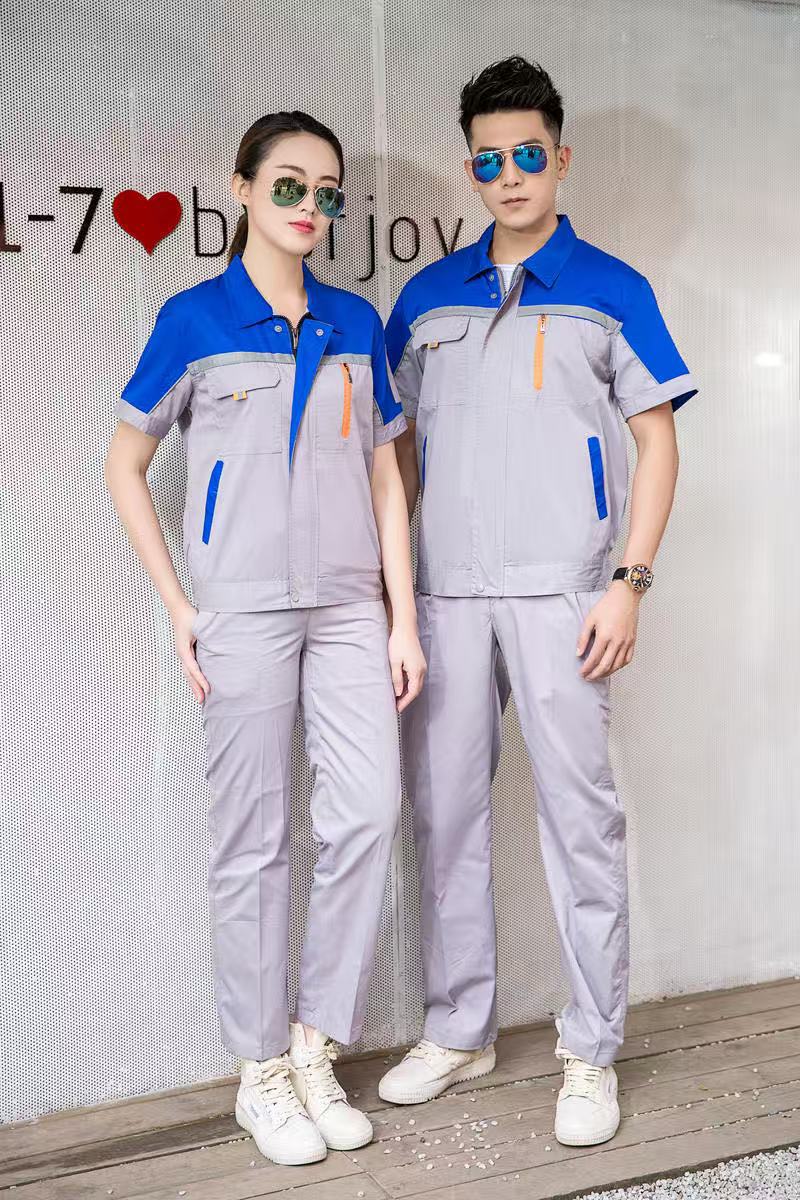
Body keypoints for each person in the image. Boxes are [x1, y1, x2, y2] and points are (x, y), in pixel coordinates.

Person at [379, 57, 697, 1148]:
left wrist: (628, 583)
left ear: (559, 158)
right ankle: (457, 1028)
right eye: (487, 160)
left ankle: (589, 1049)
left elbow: (657, 443)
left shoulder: (612, 288)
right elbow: (393, 450)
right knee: (445, 813)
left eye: (525, 155)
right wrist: (398, 590)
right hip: (446, 596)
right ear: (469, 168)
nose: (507, 175)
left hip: (567, 596)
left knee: (578, 820)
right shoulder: (425, 299)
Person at [105, 111, 426, 1168]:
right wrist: (179, 604)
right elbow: (124, 464)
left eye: (326, 192)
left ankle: (312, 1043)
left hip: (348, 610)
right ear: (241, 189)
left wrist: (402, 617)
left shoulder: (353, 319)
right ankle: (258, 1072)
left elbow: (386, 475)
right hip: (239, 609)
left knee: (367, 812)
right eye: (288, 184)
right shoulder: (194, 319)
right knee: (251, 841)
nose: (308, 207)